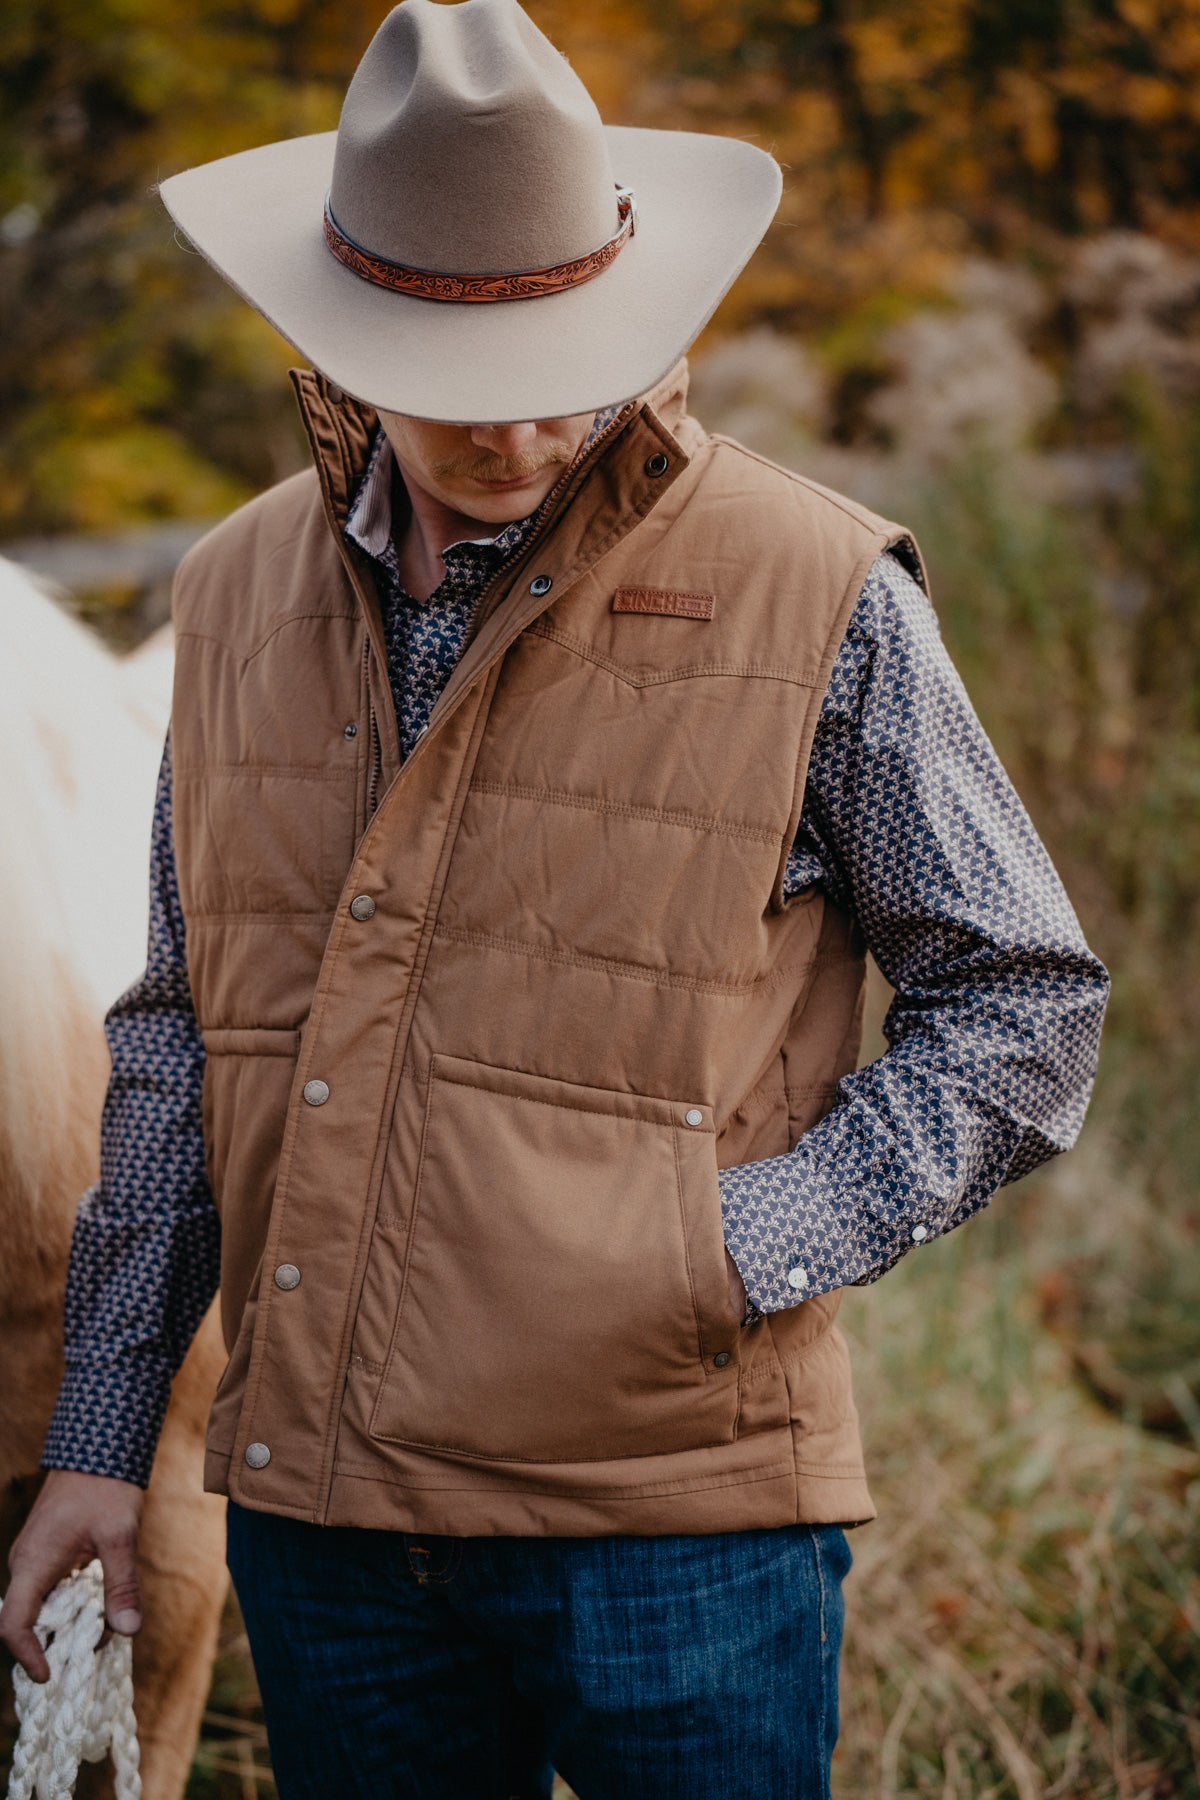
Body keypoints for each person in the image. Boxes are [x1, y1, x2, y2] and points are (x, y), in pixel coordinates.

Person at [0, 2, 1110, 1795]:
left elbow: (1025, 1002)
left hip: (679, 1535)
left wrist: (733, 1249)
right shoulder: (226, 605)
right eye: (447, 364)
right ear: (344, 332)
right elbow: (177, 1045)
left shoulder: (815, 591)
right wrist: (101, 1445)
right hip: (330, 1536)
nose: (511, 430)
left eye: (554, 352)